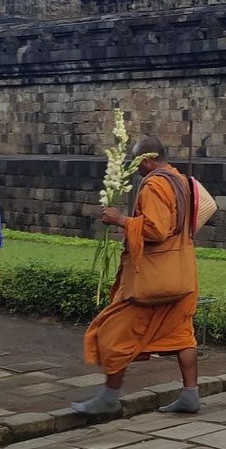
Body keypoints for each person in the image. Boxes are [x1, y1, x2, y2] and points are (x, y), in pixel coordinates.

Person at [72, 136, 200, 415]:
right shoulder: (181, 180)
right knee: (181, 333)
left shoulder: (154, 184)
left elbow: (156, 230)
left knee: (112, 330)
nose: (136, 168)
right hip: (181, 271)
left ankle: (109, 396)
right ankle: (191, 394)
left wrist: (120, 219)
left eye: (137, 162)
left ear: (147, 160)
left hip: (153, 277)